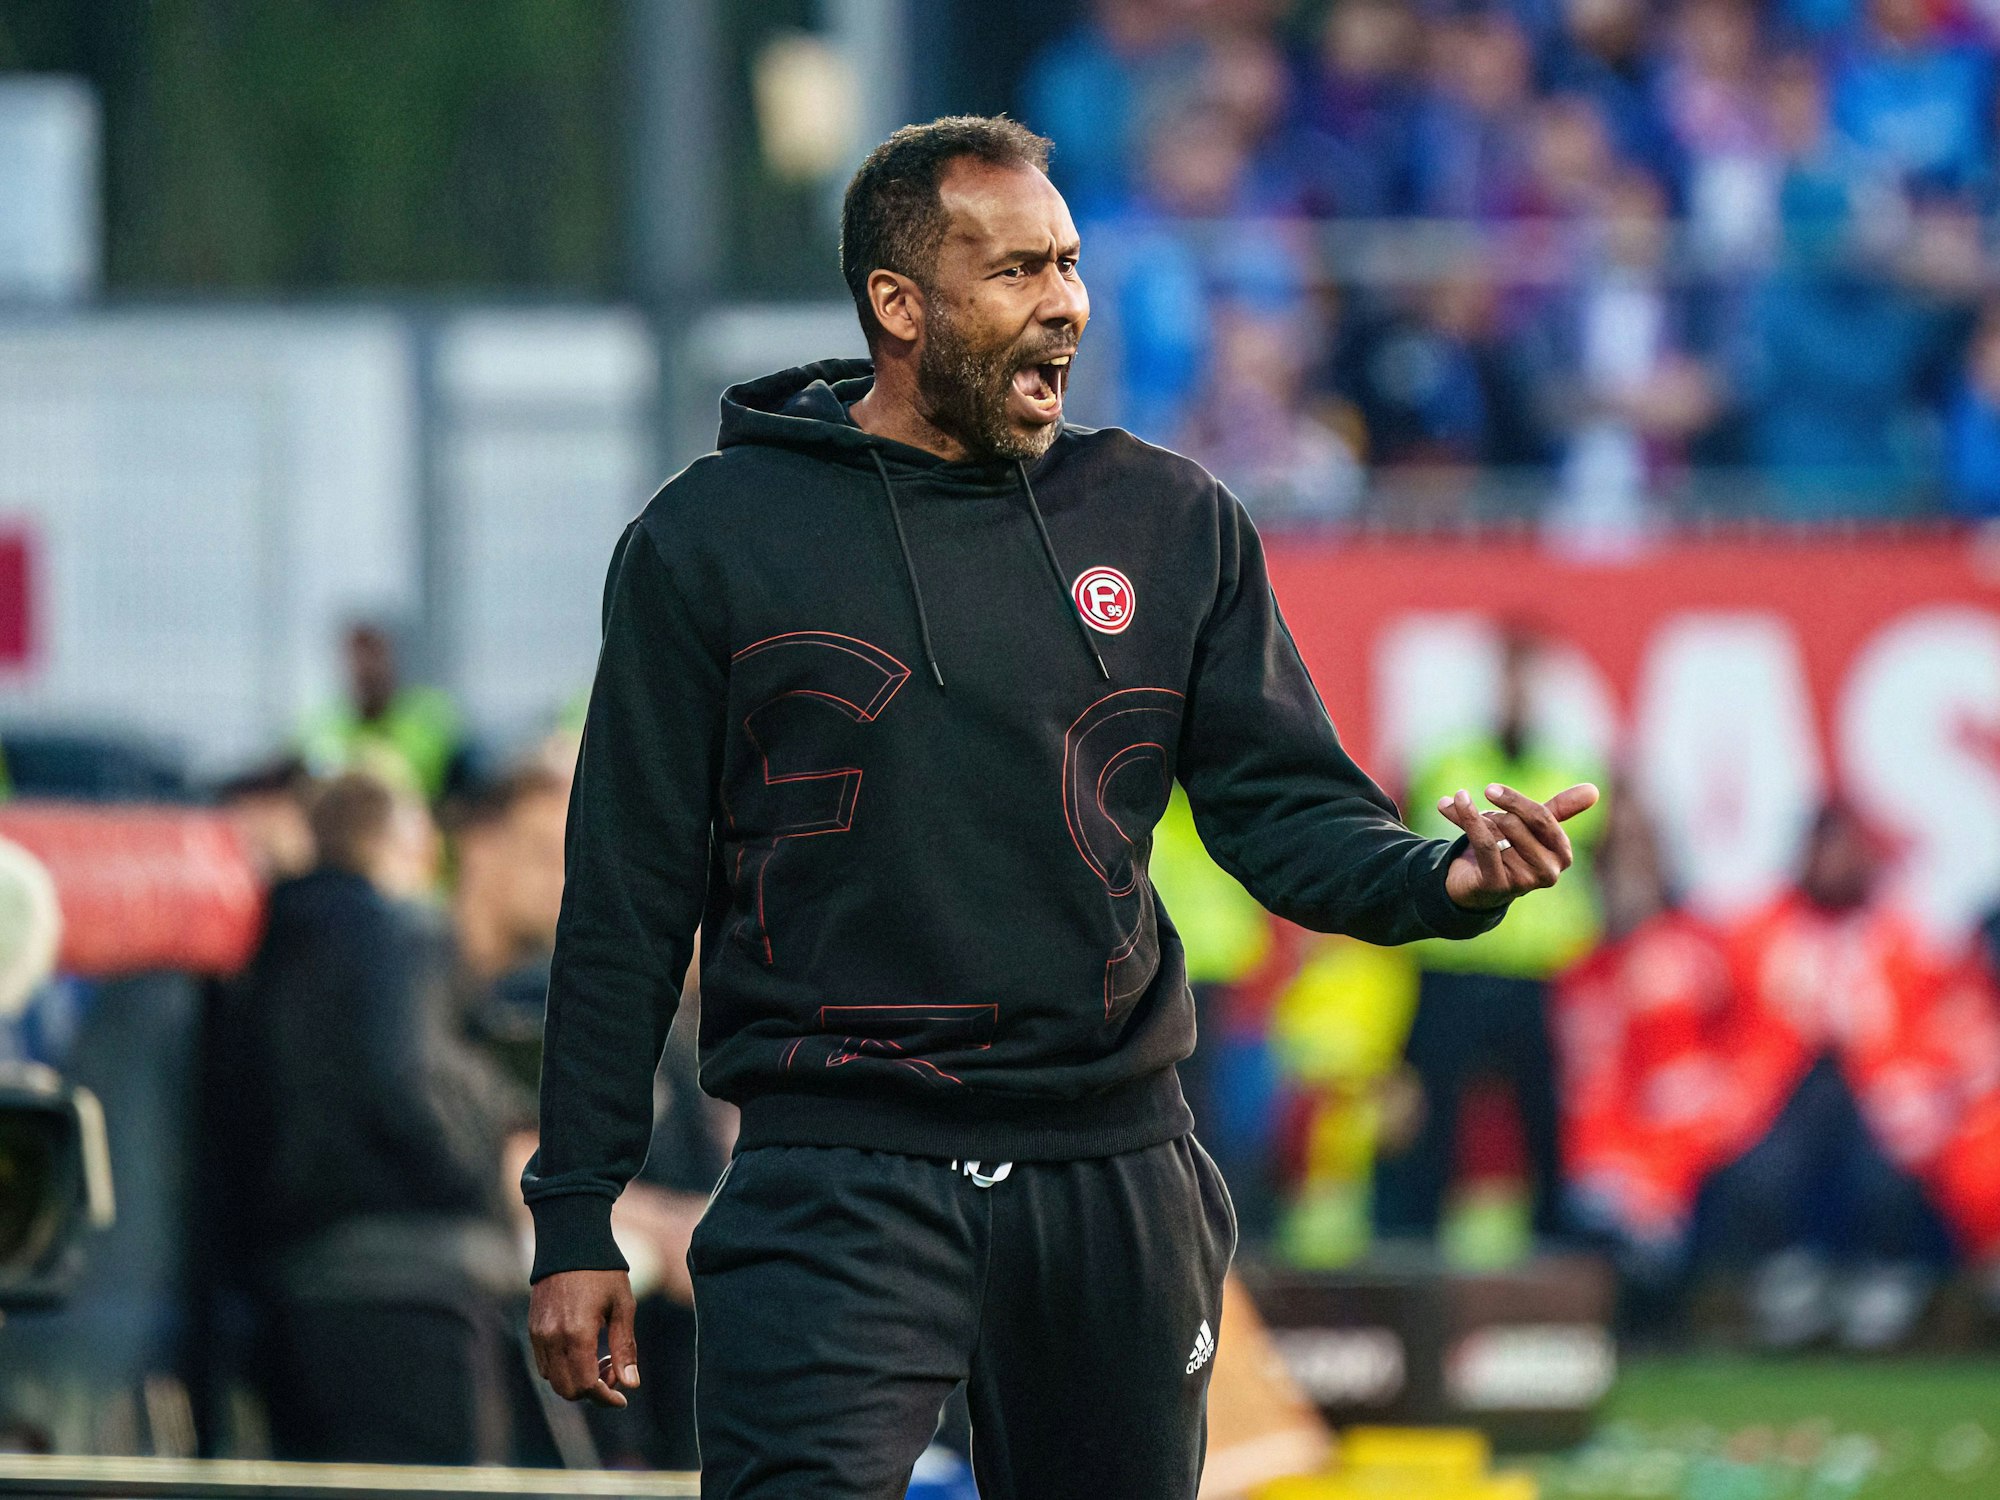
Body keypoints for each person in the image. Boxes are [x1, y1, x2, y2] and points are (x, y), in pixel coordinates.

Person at [523, 116, 1596, 1499]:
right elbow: (626, 896)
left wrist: (1435, 880)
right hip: (836, 1173)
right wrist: (576, 1213)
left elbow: (1283, 808)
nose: (1066, 303)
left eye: (1070, 263)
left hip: (1112, 1170)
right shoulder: (710, 538)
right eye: (1017, 270)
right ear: (898, 305)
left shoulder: (1170, 519)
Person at [240, 771, 530, 1463]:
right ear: (410, 845)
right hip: (420, 1284)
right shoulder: (406, 931)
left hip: (298, 1282)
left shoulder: (275, 942)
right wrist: (483, 1155)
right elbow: (413, 1083)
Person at [1376, 627, 1605, 1252]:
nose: (1516, 695)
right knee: (1428, 1114)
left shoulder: (1574, 767)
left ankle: (1554, 1242)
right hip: (1452, 961)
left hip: (1535, 972)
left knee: (1545, 1117)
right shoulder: (1444, 759)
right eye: (1508, 679)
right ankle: (1411, 1245)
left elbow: (1599, 866)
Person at [299, 621, 471, 804]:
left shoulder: (433, 717)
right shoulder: (321, 727)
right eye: (357, 659)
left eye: (373, 656)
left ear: (392, 659)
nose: (366, 668)